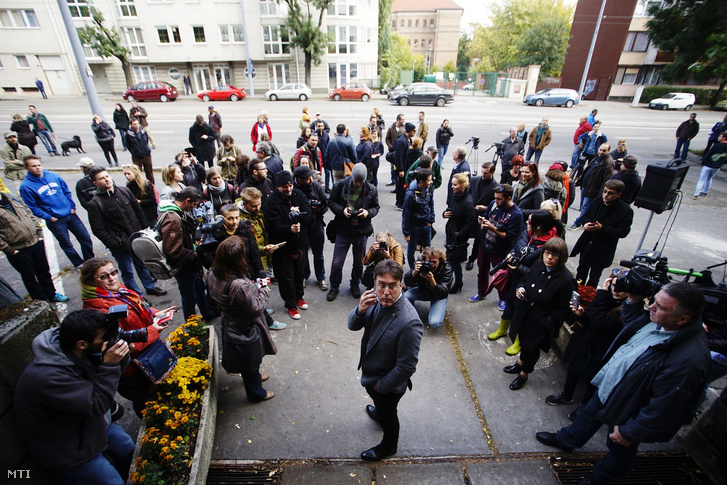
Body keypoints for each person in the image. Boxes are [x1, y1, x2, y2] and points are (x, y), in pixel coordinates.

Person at [536, 282, 710, 485]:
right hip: (610, 387)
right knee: (588, 415)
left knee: (620, 449)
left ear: (683, 319)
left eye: (660, 306)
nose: (651, 307)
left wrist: (631, 431)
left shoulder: (688, 361)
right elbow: (629, 323)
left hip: (628, 407)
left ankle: (600, 478)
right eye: (654, 301)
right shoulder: (661, 320)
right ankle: (567, 440)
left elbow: (666, 406)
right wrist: (633, 299)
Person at [14, 310, 135, 485]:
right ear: (82, 344)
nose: (108, 340)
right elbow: (97, 403)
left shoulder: (73, 350)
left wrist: (121, 358)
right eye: (104, 337)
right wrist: (110, 364)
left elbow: (104, 379)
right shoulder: (48, 377)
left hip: (89, 425)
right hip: (69, 450)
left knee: (128, 450)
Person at [348, 259, 423, 461]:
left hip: (387, 384)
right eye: (382, 285)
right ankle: (379, 413)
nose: (386, 292)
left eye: (392, 286)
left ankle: (389, 446)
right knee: (381, 407)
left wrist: (380, 387)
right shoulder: (373, 299)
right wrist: (359, 311)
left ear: (401, 285)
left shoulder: (409, 322)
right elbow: (352, 325)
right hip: (371, 374)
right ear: (375, 283)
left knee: (389, 413)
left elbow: (407, 366)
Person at [80, 257, 172, 415]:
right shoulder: (98, 311)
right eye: (104, 276)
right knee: (146, 404)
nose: (112, 278)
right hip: (132, 369)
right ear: (90, 281)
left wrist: (157, 314)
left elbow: (140, 306)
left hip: (147, 355)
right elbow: (123, 344)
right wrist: (153, 330)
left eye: (113, 272)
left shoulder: (117, 290)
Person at [546, 276, 634, 419]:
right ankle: (567, 395)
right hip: (583, 344)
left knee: (591, 381)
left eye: (622, 288)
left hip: (599, 352)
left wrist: (602, 294)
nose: (616, 290)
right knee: (573, 369)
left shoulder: (626, 310)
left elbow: (600, 322)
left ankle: (584, 406)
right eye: (614, 285)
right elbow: (591, 318)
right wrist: (580, 315)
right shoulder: (605, 299)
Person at [207, 237, 277, 401]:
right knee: (249, 358)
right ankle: (256, 393)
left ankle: (254, 375)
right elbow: (256, 309)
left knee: (249, 357)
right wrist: (264, 290)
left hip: (228, 320)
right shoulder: (239, 285)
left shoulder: (212, 272)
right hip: (244, 327)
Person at [503, 238, 576, 390]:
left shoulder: (566, 280)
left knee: (532, 349)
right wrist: (521, 289)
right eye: (547, 253)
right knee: (523, 341)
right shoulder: (538, 264)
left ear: (561, 257)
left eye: (554, 255)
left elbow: (564, 309)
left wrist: (548, 321)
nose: (549, 258)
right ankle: (520, 363)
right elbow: (525, 279)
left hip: (541, 321)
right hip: (525, 313)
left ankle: (524, 374)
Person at [86, 167, 165, 296]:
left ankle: (150, 287)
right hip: (120, 246)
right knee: (127, 272)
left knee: (142, 265)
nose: (106, 179)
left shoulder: (124, 191)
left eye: (107, 176)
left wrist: (144, 231)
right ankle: (136, 296)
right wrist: (116, 243)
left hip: (136, 239)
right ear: (95, 183)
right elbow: (98, 229)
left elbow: (138, 212)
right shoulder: (95, 204)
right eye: (101, 178)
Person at [489, 210, 558, 355]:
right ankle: (502, 329)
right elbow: (516, 245)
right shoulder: (527, 233)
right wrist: (511, 254)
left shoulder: (549, 246)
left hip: (528, 286)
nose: (527, 222)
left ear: (538, 226)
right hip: (513, 278)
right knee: (509, 306)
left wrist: (518, 267)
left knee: (521, 312)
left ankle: (518, 340)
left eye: (530, 221)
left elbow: (540, 272)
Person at [20, 155, 95, 268]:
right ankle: (78, 264)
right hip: (56, 220)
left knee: (85, 238)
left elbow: (66, 191)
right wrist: (49, 217)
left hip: (70, 214)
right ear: (26, 167)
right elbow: (32, 207)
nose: (37, 168)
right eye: (33, 166)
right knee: (66, 244)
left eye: (39, 165)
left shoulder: (52, 175)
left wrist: (72, 206)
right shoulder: (26, 186)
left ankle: (90, 262)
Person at [0, 190, 68, 302]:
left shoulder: (11, 197)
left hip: (35, 242)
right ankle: (40, 302)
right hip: (18, 249)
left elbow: (28, 213)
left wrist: (39, 234)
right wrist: (9, 250)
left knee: (44, 271)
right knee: (30, 278)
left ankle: (51, 294)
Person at [263, 171, 312, 320]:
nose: (288, 189)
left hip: (299, 244)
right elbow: (273, 226)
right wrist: (289, 227)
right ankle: (290, 304)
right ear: (278, 187)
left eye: (290, 185)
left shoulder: (298, 195)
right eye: (285, 186)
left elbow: (309, 215)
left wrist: (300, 215)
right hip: (282, 248)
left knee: (299, 274)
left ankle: (299, 297)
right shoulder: (271, 202)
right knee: (286, 278)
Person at [327, 163, 380, 301]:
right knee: (337, 263)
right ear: (351, 177)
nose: (357, 184)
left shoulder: (371, 189)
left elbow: (376, 207)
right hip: (343, 230)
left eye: (360, 182)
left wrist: (368, 212)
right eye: (355, 181)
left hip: (361, 231)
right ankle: (334, 287)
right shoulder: (340, 185)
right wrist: (342, 210)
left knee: (358, 262)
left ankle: (355, 284)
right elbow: (331, 201)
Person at [159, 187, 213, 320]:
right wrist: (195, 254)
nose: (194, 208)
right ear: (187, 201)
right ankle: (191, 323)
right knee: (189, 296)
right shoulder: (172, 218)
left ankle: (206, 314)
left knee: (199, 289)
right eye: (194, 204)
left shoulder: (177, 212)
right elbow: (173, 251)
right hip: (184, 266)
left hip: (190, 264)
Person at [571, 180, 634, 287]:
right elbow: (585, 216)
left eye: (610, 193)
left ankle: (589, 297)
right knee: (581, 272)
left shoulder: (625, 211)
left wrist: (602, 228)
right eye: (604, 191)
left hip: (603, 248)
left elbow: (623, 232)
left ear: (618, 194)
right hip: (588, 244)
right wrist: (586, 224)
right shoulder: (597, 202)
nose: (605, 195)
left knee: (594, 277)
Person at [469, 184, 523, 308]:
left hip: (500, 251)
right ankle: (481, 292)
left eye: (500, 199)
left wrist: (493, 228)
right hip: (485, 246)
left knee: (500, 276)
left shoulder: (516, 214)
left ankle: (502, 298)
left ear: (509, 198)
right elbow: (486, 216)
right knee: (482, 271)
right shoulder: (494, 204)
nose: (496, 201)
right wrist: (482, 221)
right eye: (496, 198)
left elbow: (510, 237)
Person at [293, 165, 329, 290]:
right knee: (303, 254)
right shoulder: (294, 189)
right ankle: (304, 275)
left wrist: (319, 209)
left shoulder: (316, 186)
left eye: (310, 177)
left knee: (318, 254)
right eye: (307, 178)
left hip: (316, 224)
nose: (310, 180)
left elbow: (325, 202)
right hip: (302, 227)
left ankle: (321, 277)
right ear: (300, 179)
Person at [404, 246, 453, 329]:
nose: (431, 265)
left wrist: (432, 280)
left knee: (435, 323)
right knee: (406, 296)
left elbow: (444, 292)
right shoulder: (420, 264)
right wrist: (414, 272)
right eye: (429, 262)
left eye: (434, 262)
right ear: (423, 260)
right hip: (423, 290)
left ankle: (438, 309)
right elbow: (407, 283)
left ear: (440, 261)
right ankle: (411, 316)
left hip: (439, 295)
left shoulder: (446, 268)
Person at [444, 173, 477, 293]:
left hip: (457, 236)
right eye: (452, 184)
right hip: (451, 232)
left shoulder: (467, 203)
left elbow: (471, 222)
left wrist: (459, 234)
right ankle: (453, 280)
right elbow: (450, 209)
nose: (452, 187)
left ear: (463, 185)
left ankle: (458, 282)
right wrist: (445, 214)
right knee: (451, 259)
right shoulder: (456, 195)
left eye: (455, 185)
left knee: (454, 260)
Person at [570, 143, 614, 231]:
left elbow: (606, 180)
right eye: (600, 150)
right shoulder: (596, 157)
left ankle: (577, 223)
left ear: (608, 151)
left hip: (593, 190)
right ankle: (585, 221)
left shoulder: (608, 163)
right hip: (586, 186)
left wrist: (601, 194)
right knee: (583, 206)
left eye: (604, 150)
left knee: (586, 207)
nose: (601, 152)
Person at [239, 187, 278, 274]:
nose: (258, 208)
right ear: (244, 204)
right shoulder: (240, 221)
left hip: (265, 259)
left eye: (259, 204)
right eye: (254, 206)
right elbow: (247, 246)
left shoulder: (259, 213)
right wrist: (264, 249)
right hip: (252, 264)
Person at [467, 161, 498, 271]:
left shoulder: (495, 186)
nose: (483, 175)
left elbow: (495, 204)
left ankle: (472, 259)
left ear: (492, 172)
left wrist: (484, 208)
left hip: (482, 216)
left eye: (486, 173)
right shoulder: (474, 180)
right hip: (470, 214)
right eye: (482, 172)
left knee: (478, 239)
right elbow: (468, 194)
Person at [402, 169, 434, 269]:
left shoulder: (428, 189)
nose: (431, 182)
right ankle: (413, 271)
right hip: (414, 227)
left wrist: (430, 221)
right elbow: (406, 214)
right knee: (411, 250)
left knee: (428, 250)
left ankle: (426, 268)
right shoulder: (410, 194)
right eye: (429, 180)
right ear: (421, 182)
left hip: (426, 225)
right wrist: (406, 233)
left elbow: (431, 205)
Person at [693, 131, 727, 199]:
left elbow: (709, 154)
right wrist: (722, 163)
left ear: (724, 138)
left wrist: (703, 161)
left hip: (708, 165)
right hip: (717, 166)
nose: (718, 137)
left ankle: (696, 194)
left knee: (702, 179)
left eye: (720, 136)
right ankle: (705, 191)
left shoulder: (717, 145)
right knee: (709, 178)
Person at [393, 123, 416, 209]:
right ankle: (399, 202)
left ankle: (401, 201)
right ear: (409, 131)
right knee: (401, 186)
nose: (414, 132)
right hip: (402, 168)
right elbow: (399, 156)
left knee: (404, 185)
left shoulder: (409, 140)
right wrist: (401, 169)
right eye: (413, 130)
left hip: (407, 167)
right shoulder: (401, 141)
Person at [126, 118, 155, 184]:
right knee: (137, 173)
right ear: (131, 125)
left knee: (149, 173)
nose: (136, 125)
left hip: (146, 155)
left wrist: (146, 149)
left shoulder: (143, 131)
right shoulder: (129, 134)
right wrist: (134, 152)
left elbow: (146, 140)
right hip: (137, 157)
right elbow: (128, 145)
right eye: (134, 124)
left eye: (137, 124)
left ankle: (152, 186)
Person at [385, 114, 406, 186]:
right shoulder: (391, 128)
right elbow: (387, 138)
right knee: (392, 167)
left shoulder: (404, 129)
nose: (403, 121)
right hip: (393, 150)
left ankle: (398, 182)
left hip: (400, 150)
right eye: (402, 119)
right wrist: (390, 146)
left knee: (399, 166)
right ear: (398, 120)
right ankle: (393, 180)